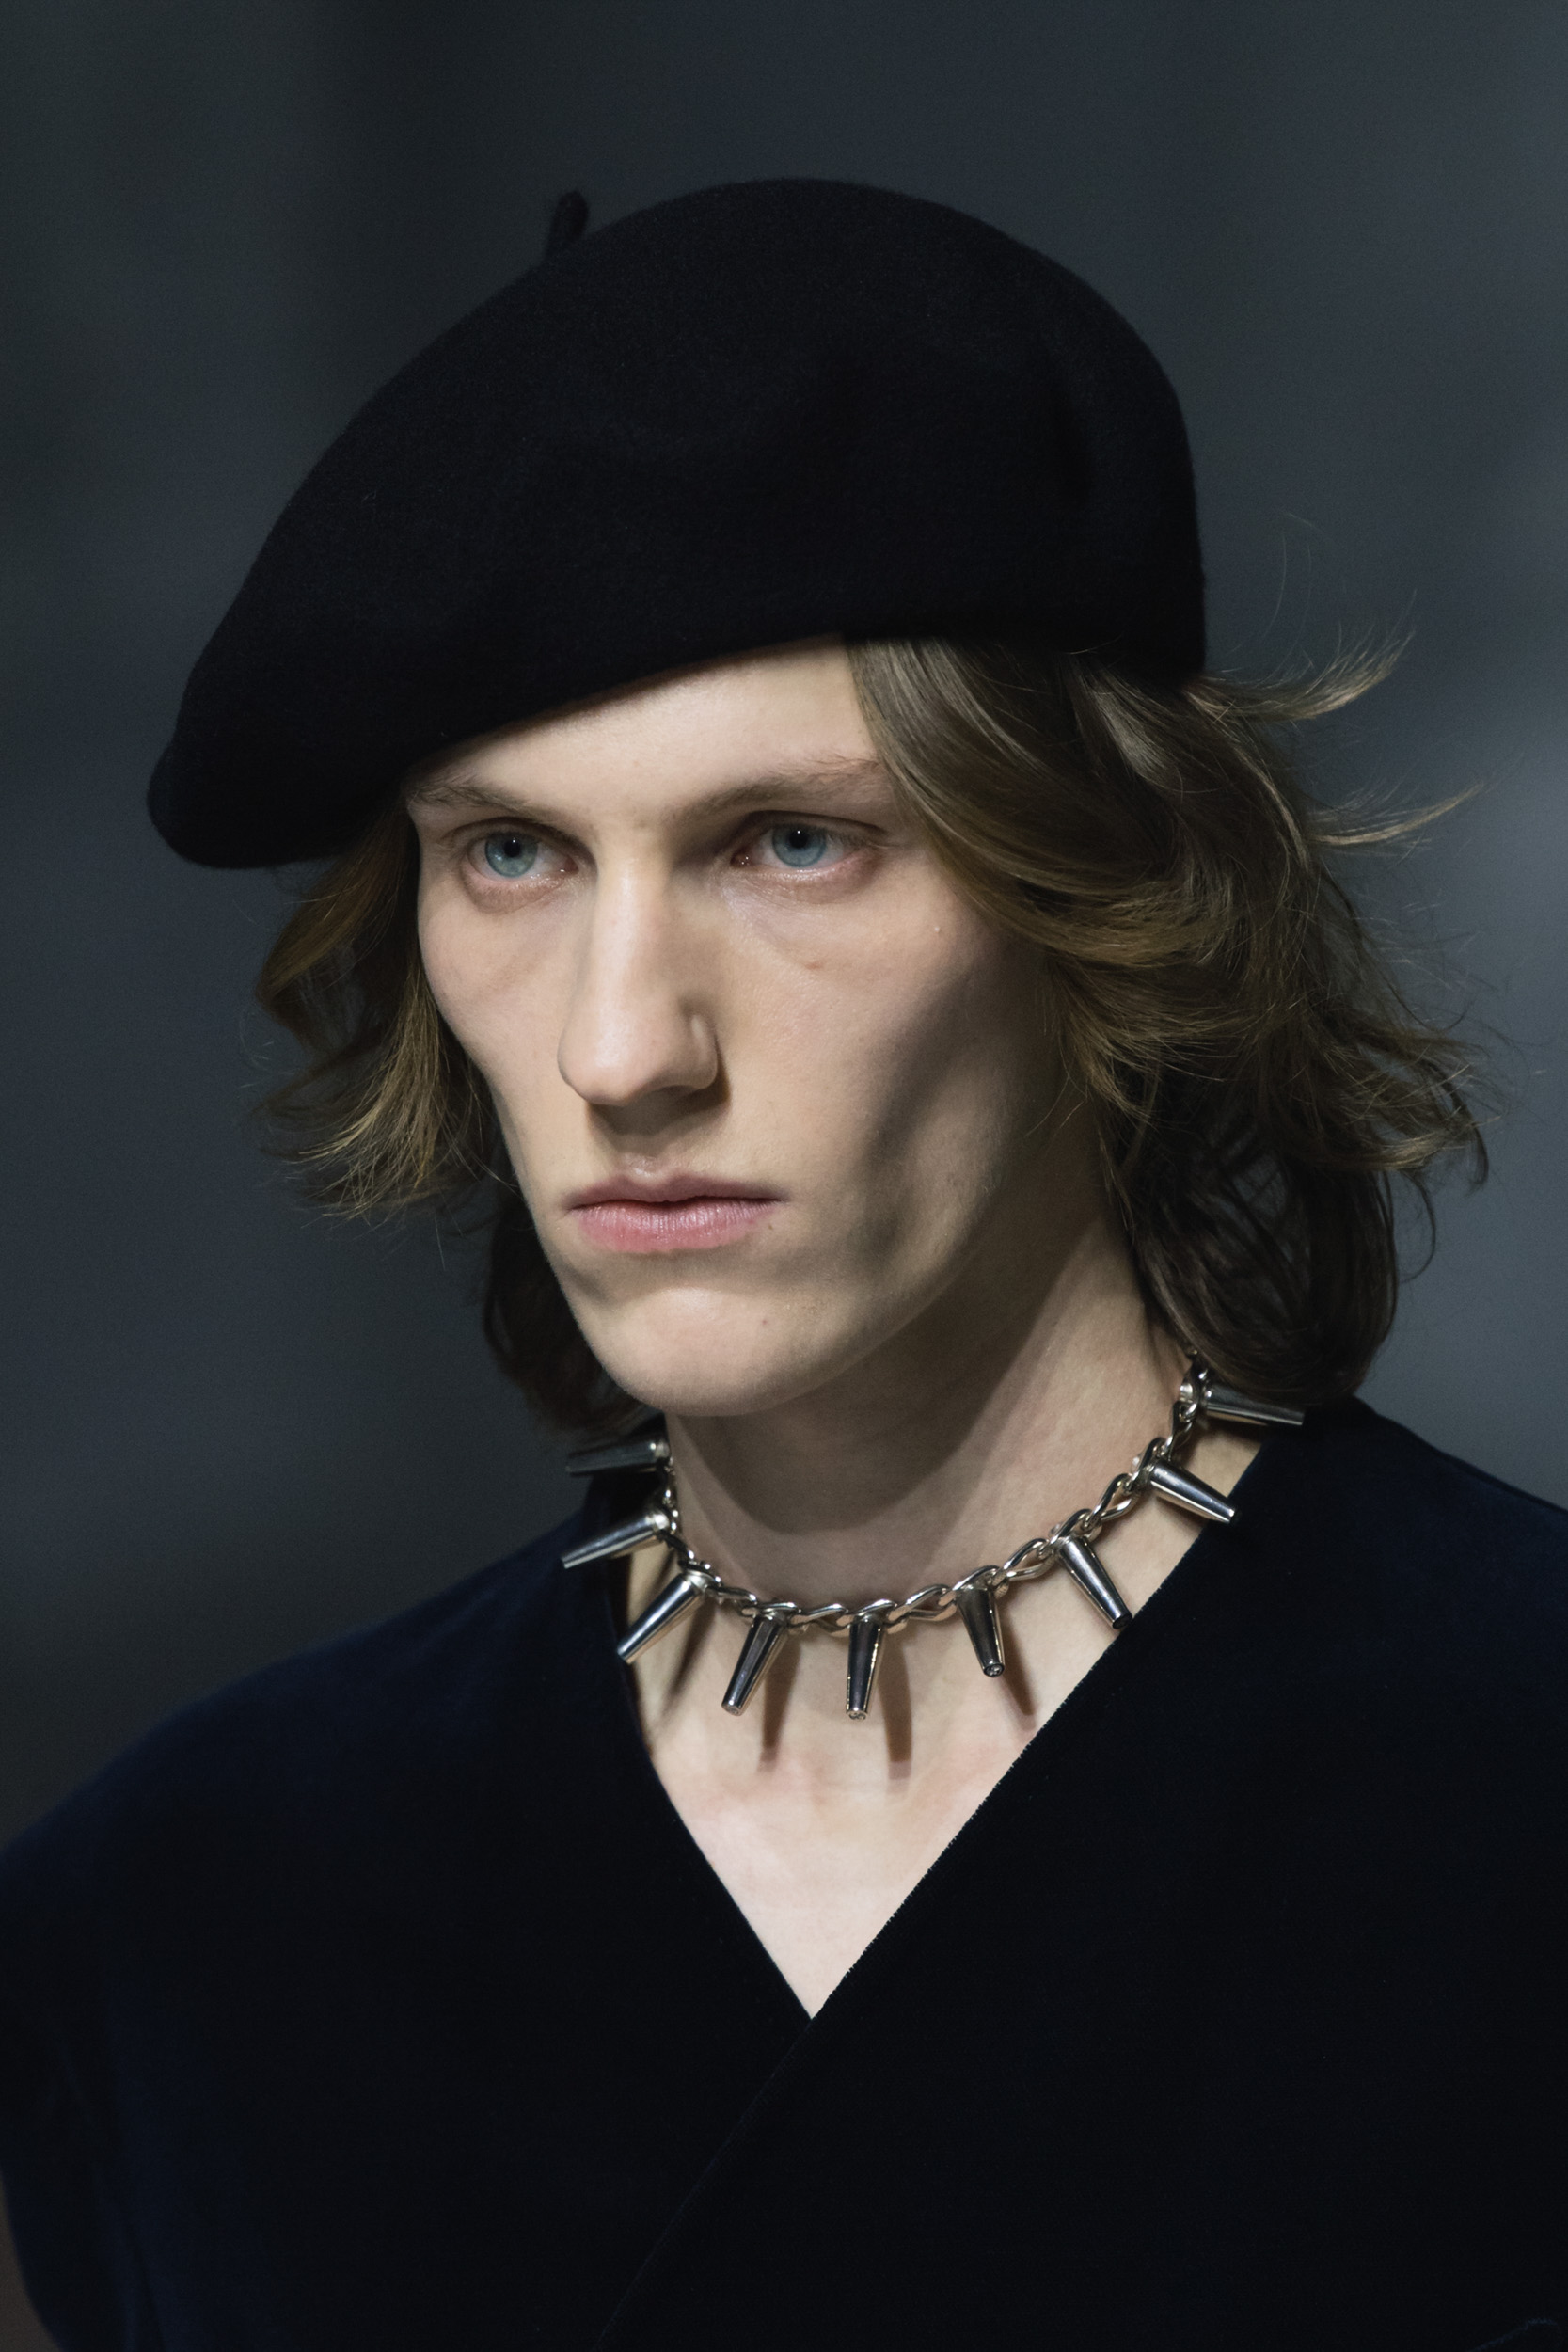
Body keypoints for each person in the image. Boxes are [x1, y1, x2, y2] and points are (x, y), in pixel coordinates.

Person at [0, 179, 1564, 2352]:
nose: (623, 1046)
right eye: (510, 852)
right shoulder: (191, 1919)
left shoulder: (1513, 1796)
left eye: (793, 841)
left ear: (1107, 883)